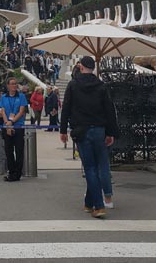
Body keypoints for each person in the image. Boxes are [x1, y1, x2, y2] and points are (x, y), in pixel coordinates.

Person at [59, 56, 119, 219]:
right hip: (99, 129)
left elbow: (66, 108)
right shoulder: (101, 86)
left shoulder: (73, 85)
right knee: (99, 165)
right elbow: (109, 110)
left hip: (82, 130)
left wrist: (63, 130)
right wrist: (111, 132)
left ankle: (98, 206)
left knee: (90, 168)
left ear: (81, 66)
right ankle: (88, 202)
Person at [0, 77, 27, 182]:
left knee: (19, 151)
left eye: (15, 84)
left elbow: (21, 111)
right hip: (7, 126)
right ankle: (11, 172)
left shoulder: (21, 96)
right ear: (8, 86)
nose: (14, 86)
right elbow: (3, 111)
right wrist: (7, 123)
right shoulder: (4, 97)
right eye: (12, 84)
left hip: (18, 125)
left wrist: (12, 122)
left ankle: (18, 173)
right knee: (8, 150)